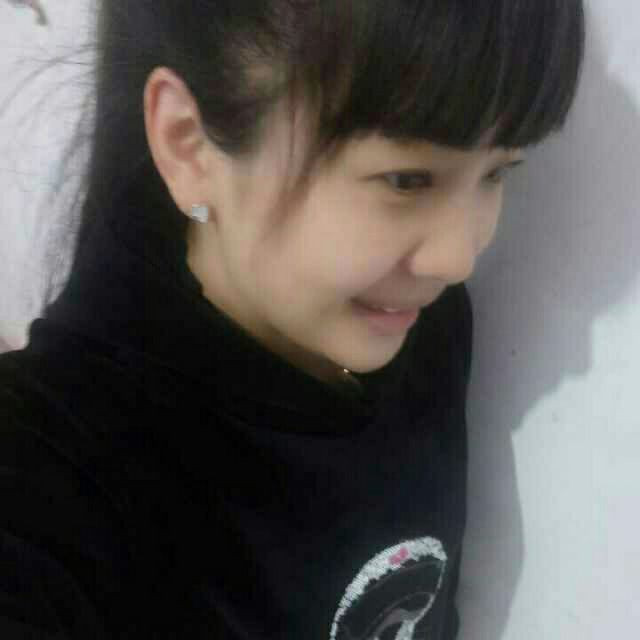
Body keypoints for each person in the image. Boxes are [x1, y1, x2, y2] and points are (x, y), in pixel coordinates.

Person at [0, 1, 586, 638]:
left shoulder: (422, 328)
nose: (459, 257)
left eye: (497, 171)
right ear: (189, 144)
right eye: (406, 180)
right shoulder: (58, 468)